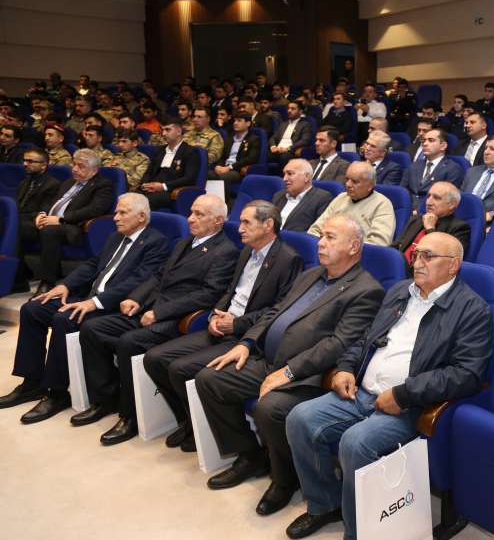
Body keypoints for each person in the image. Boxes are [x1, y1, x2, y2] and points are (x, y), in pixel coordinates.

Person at [284, 231, 492, 540]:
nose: (418, 262)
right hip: (361, 391)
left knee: (356, 442)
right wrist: (345, 368)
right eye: (416, 254)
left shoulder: (472, 309)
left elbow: (467, 374)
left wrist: (404, 393)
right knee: (300, 418)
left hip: (411, 405)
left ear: (453, 266)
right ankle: (324, 505)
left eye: (428, 256)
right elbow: (365, 339)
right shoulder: (400, 291)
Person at [192, 215, 384, 516]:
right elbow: (274, 312)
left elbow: (337, 344)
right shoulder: (311, 274)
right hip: (267, 360)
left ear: (353, 246)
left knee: (268, 408)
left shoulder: (366, 290)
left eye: (330, 237)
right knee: (210, 379)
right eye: (321, 236)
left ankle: (285, 480)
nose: (320, 243)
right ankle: (250, 455)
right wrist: (246, 343)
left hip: (307, 376)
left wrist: (289, 372)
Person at [74, 194, 237, 445]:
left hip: (176, 319)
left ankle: (130, 416)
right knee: (92, 328)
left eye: (199, 214)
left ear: (218, 221)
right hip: (150, 308)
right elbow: (159, 276)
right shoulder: (186, 242)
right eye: (191, 212)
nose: (190, 218)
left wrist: (159, 313)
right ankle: (105, 399)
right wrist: (137, 298)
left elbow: (207, 295)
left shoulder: (225, 252)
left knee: (129, 342)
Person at [143, 201, 301, 453]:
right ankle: (191, 422)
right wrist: (214, 315)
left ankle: (243, 449)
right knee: (155, 358)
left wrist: (236, 324)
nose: (239, 228)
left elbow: (277, 310)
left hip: (247, 336)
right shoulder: (246, 251)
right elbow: (229, 291)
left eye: (247, 222)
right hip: (223, 325)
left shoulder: (288, 260)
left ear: (268, 225)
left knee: (180, 369)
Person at [0, 194, 169, 421]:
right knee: (32, 309)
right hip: (88, 297)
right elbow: (92, 265)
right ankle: (31, 382)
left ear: (141, 217)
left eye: (122, 213)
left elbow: (139, 282)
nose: (115, 217)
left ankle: (57, 392)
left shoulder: (156, 243)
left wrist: (94, 303)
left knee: (64, 319)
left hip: (113, 306)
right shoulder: (115, 237)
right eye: (116, 212)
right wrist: (65, 285)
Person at [21, 149, 115, 294]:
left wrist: (61, 219)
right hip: (50, 221)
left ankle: (47, 282)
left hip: (74, 227)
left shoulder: (103, 185)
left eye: (81, 166)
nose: (75, 169)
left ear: (94, 170)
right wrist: (42, 214)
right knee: (18, 226)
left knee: (50, 230)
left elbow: (95, 209)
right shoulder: (68, 182)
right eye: (74, 164)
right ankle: (19, 276)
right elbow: (51, 202)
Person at [11, 149, 64, 291]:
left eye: (30, 161)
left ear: (43, 165)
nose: (25, 164)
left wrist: (17, 218)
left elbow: (44, 211)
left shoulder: (52, 184)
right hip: (22, 221)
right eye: (24, 160)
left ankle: (18, 281)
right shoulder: (25, 182)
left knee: (14, 229)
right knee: (8, 225)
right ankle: (20, 272)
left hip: (38, 223)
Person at [308, 161, 396, 246]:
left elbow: (379, 243)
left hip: (356, 253)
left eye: (355, 181)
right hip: (326, 248)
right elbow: (315, 229)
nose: (348, 184)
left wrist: (342, 246)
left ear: (370, 185)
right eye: (347, 179)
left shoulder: (382, 204)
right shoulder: (341, 198)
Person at [393, 182, 471, 273]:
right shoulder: (416, 220)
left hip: (423, 274)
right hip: (397, 268)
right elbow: (396, 246)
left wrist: (430, 229)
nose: (428, 202)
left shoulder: (460, 228)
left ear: (452, 204)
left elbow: (443, 261)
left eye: (436, 198)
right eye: (428, 196)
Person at [138, 116, 202, 210]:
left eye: (167, 130)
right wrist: (145, 184)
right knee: (128, 198)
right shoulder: (160, 150)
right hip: (152, 188)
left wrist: (163, 186)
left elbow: (189, 178)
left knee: (143, 202)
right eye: (162, 130)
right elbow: (149, 172)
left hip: (170, 191)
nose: (163, 133)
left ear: (179, 131)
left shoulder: (190, 151)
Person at [403, 128, 465, 209]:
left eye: (431, 140)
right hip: (408, 209)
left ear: (443, 146)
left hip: (432, 211)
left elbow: (445, 198)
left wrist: (419, 210)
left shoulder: (453, 169)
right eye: (424, 141)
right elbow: (403, 191)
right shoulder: (413, 165)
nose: (425, 144)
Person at [273, 158, 334, 233]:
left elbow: (318, 231)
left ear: (306, 177)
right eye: (284, 174)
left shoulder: (322, 198)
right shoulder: (279, 195)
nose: (284, 179)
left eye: (290, 174)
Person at [210, 112, 261, 198]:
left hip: (237, 170)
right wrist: (218, 166)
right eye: (235, 121)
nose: (235, 123)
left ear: (248, 123)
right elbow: (223, 156)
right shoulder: (230, 138)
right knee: (207, 174)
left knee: (222, 178)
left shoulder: (254, 139)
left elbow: (250, 159)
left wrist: (230, 167)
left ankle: (222, 203)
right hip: (224, 167)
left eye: (239, 121)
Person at [269, 101, 313, 166]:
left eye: (293, 109)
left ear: (300, 111)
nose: (289, 111)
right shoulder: (284, 124)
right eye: (288, 108)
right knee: (264, 155)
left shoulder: (305, 124)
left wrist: (288, 148)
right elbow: (273, 138)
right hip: (278, 150)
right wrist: (273, 147)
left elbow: (305, 140)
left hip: (290, 151)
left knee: (284, 157)